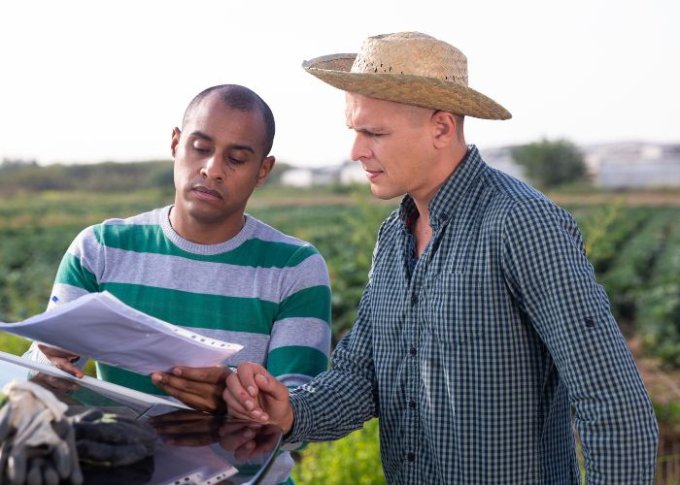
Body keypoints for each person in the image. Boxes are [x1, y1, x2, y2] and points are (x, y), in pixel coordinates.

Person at [224, 32, 660, 483]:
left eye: (374, 132)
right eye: (355, 131)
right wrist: (290, 411)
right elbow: (362, 376)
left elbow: (612, 404)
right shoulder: (394, 236)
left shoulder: (522, 224)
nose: (356, 151)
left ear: (441, 128)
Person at [24, 84, 332, 419]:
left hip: (247, 473)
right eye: (200, 148)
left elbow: (299, 414)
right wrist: (45, 366)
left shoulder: (295, 268)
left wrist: (233, 398)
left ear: (263, 171)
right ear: (175, 143)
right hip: (122, 462)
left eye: (237, 159)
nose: (212, 169)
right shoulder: (100, 249)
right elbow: (39, 376)